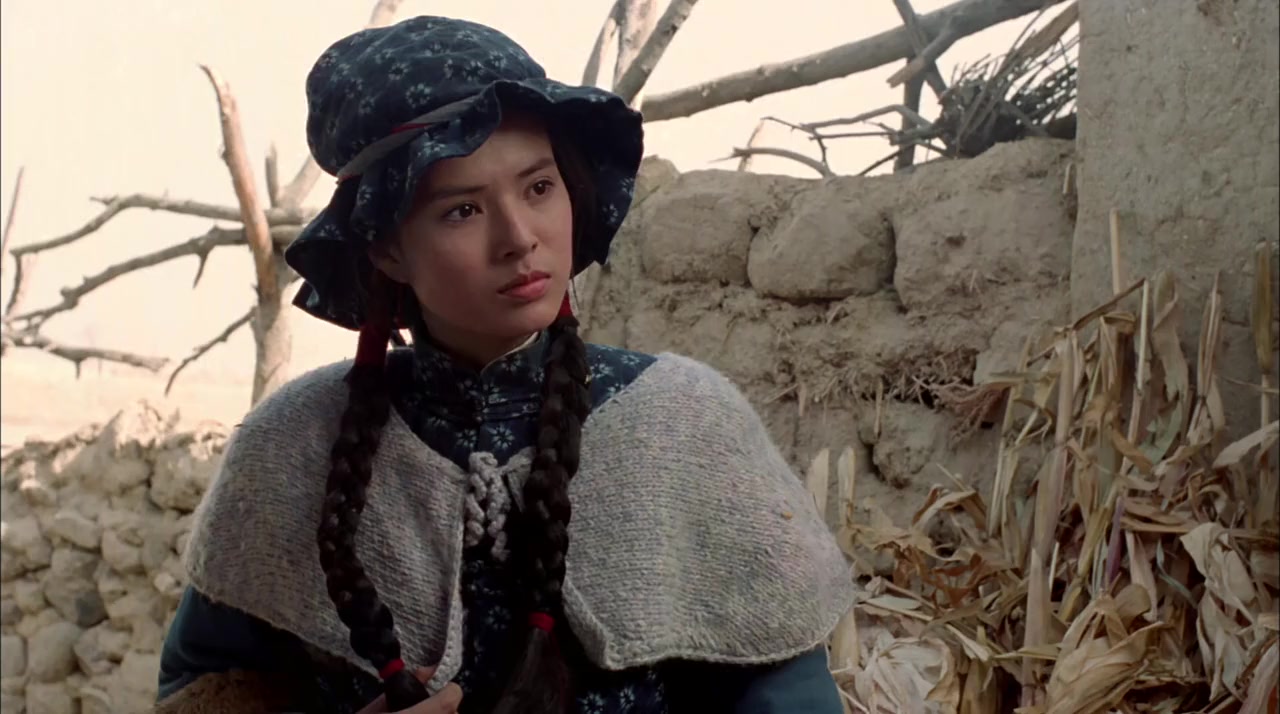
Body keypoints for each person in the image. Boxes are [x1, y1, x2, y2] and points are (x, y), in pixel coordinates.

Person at [155, 15, 853, 714]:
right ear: (386, 249)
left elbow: (787, 691)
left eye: (539, 188)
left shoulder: (683, 421)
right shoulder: (293, 446)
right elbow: (202, 687)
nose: (520, 238)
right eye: (462, 210)